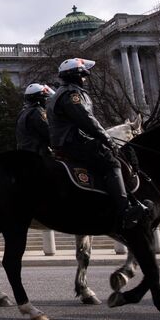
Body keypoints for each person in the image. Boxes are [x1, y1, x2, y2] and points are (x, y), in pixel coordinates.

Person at [47, 58, 144, 231]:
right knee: (111, 162)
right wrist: (106, 138)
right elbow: (86, 120)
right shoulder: (72, 95)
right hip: (74, 141)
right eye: (84, 76)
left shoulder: (60, 93)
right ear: (77, 76)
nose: (85, 79)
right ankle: (124, 210)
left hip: (65, 141)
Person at [16, 83, 55, 157]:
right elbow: (49, 133)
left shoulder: (22, 112)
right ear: (39, 99)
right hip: (39, 154)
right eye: (45, 98)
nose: (46, 100)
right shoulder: (38, 112)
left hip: (24, 154)